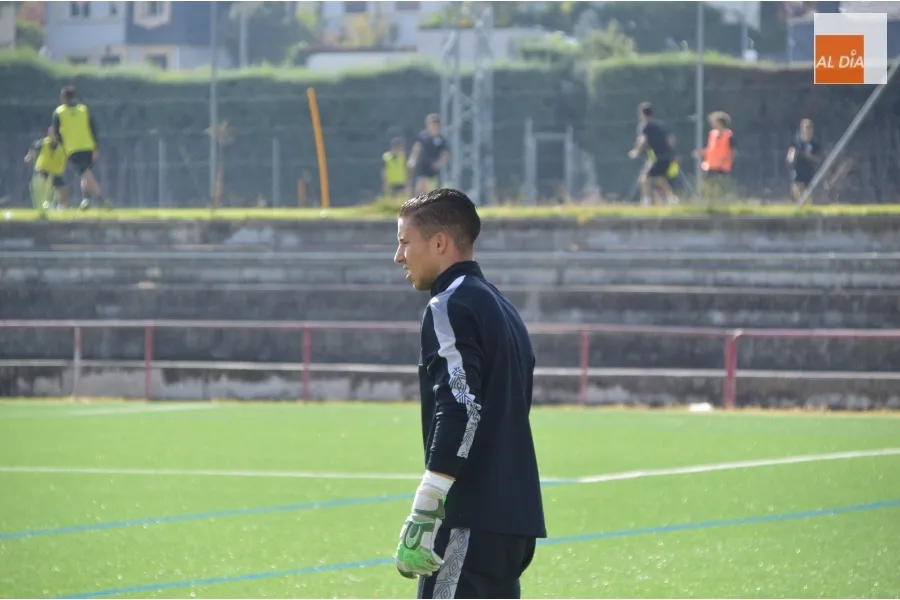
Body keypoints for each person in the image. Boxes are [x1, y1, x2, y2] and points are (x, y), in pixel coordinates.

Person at [392, 188, 546, 599]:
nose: (399, 256)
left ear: (439, 242)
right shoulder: (503, 308)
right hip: (512, 517)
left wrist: (426, 506)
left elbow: (461, 407)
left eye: (405, 241)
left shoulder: (449, 304)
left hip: (470, 516)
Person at [52, 85, 110, 210]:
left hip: (73, 148)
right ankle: (86, 200)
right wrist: (96, 147)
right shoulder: (84, 109)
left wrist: (63, 146)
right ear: (75, 97)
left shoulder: (59, 112)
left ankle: (101, 199)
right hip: (88, 146)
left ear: (63, 98)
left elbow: (56, 133)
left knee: (85, 174)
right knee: (85, 174)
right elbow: (93, 129)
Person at [628, 102, 679, 206]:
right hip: (667, 156)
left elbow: (642, 140)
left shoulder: (644, 126)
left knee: (644, 177)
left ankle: (646, 201)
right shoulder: (661, 125)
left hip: (658, 157)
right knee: (660, 179)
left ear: (641, 114)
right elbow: (671, 140)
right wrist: (670, 152)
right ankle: (672, 199)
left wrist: (636, 152)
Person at [24, 126, 68, 210]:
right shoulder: (43, 142)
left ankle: (61, 208)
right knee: (44, 190)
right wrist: (29, 155)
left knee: (63, 190)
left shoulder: (63, 144)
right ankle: (45, 206)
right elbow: (34, 148)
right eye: (50, 132)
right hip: (43, 169)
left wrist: (63, 166)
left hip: (55, 171)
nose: (52, 134)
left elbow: (66, 157)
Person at [408, 114, 451, 195]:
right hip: (422, 167)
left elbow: (446, 154)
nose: (434, 127)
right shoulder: (423, 137)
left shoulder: (441, 139)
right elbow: (417, 149)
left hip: (433, 170)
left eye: (436, 125)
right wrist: (412, 160)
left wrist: (439, 163)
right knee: (421, 187)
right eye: (432, 125)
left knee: (432, 192)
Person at [694, 111, 736, 182]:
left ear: (720, 123)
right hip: (710, 167)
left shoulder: (729, 136)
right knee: (709, 187)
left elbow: (732, 152)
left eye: (714, 121)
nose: (712, 123)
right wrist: (700, 152)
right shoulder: (712, 134)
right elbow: (710, 149)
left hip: (723, 168)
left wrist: (724, 160)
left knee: (721, 187)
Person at [786, 118, 821, 202]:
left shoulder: (814, 144)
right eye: (806, 129)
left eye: (810, 129)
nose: (808, 131)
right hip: (798, 174)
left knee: (810, 198)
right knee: (800, 197)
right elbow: (790, 157)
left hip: (810, 174)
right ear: (802, 130)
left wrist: (809, 156)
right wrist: (792, 157)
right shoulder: (796, 142)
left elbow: (818, 159)